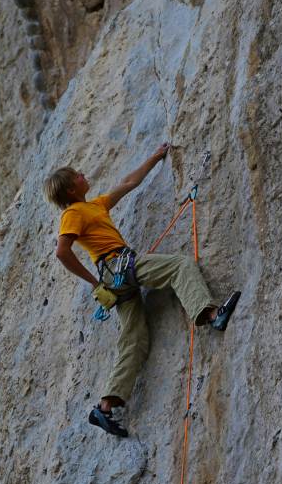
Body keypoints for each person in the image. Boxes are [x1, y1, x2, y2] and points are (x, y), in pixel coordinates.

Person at [44, 144, 240, 438]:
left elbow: (127, 184)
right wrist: (94, 283)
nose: (83, 174)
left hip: (115, 277)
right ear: (71, 189)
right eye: (77, 175)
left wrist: (155, 155)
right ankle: (211, 314)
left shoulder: (94, 205)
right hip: (118, 267)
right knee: (179, 265)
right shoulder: (72, 213)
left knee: (134, 338)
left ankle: (105, 406)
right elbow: (62, 251)